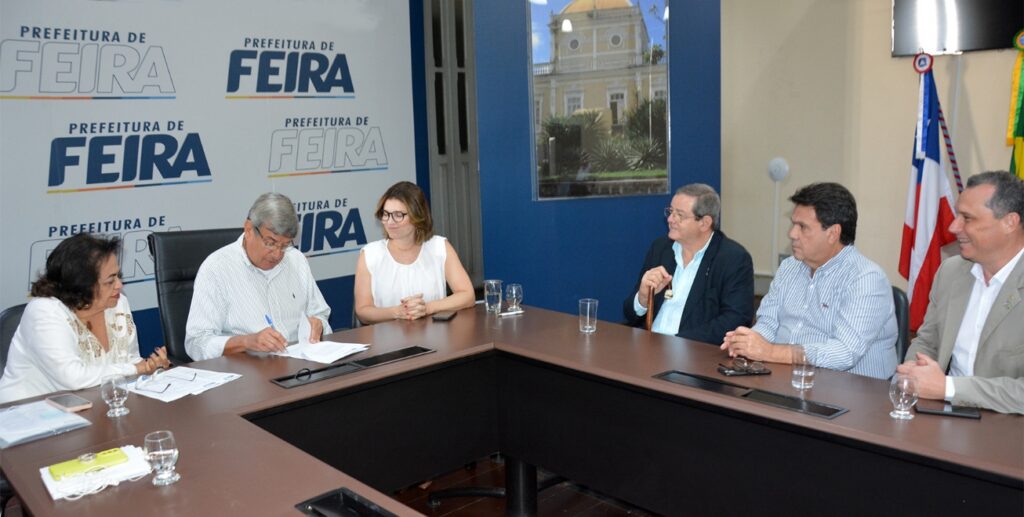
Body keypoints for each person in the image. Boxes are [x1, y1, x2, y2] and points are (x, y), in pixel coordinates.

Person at [721, 182, 897, 379]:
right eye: (793, 223)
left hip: (852, 395)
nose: (792, 234)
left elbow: (844, 354)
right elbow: (769, 323)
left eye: (802, 227)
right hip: (786, 381)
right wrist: (748, 342)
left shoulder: (866, 279)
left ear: (832, 233)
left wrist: (770, 351)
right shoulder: (790, 267)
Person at [897, 171, 1024, 414]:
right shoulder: (951, 272)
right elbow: (927, 342)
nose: (953, 227)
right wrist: (913, 375)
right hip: (938, 414)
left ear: (1010, 222)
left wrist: (948, 387)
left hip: (1009, 428)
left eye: (967, 218)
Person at [0, 233, 168, 404]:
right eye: (110, 281)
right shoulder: (44, 311)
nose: (119, 285)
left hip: (90, 408)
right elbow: (73, 379)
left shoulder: (118, 303)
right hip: (27, 413)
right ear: (82, 285)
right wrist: (136, 368)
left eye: (118, 276)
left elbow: (130, 360)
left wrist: (150, 367)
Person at [185, 192, 331, 361]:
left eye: (284, 245)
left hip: (299, 366)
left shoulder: (296, 260)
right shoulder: (216, 269)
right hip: (248, 374)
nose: (277, 254)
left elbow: (320, 314)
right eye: (270, 243)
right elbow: (196, 343)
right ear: (248, 230)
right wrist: (246, 342)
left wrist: (318, 323)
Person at [622, 184, 754, 344]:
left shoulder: (733, 258)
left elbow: (734, 320)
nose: (670, 219)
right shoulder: (660, 248)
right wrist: (642, 297)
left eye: (680, 215)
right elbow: (630, 314)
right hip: (649, 347)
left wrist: (675, 344)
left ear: (704, 223)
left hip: (696, 354)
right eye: (670, 212)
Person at [354, 181, 475, 324]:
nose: (390, 222)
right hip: (387, 341)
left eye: (398, 215)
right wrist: (397, 312)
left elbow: (468, 295)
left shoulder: (439, 247)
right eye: (386, 214)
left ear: (417, 217)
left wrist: (427, 308)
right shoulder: (370, 254)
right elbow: (362, 311)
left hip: (437, 338)